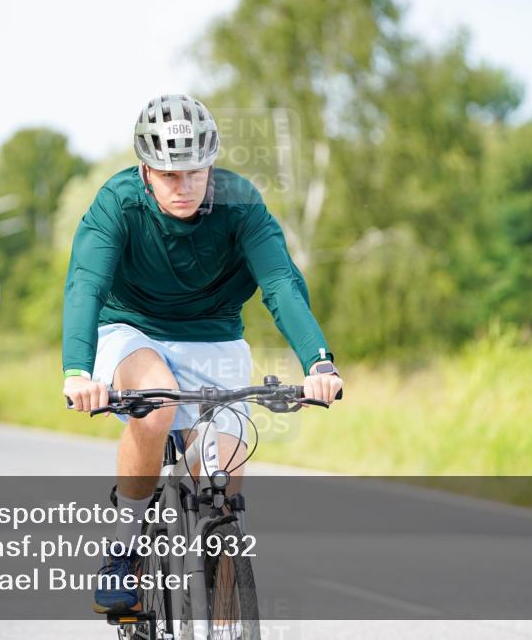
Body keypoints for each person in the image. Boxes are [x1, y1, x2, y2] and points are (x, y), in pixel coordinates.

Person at [62, 93, 343, 614]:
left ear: (210, 163)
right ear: (145, 170)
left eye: (194, 171)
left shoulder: (241, 203)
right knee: (156, 405)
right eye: (169, 175)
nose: (183, 185)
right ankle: (125, 549)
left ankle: (220, 598)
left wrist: (318, 363)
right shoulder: (117, 203)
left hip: (214, 335)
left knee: (226, 473)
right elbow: (86, 285)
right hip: (133, 329)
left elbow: (280, 282)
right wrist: (78, 371)